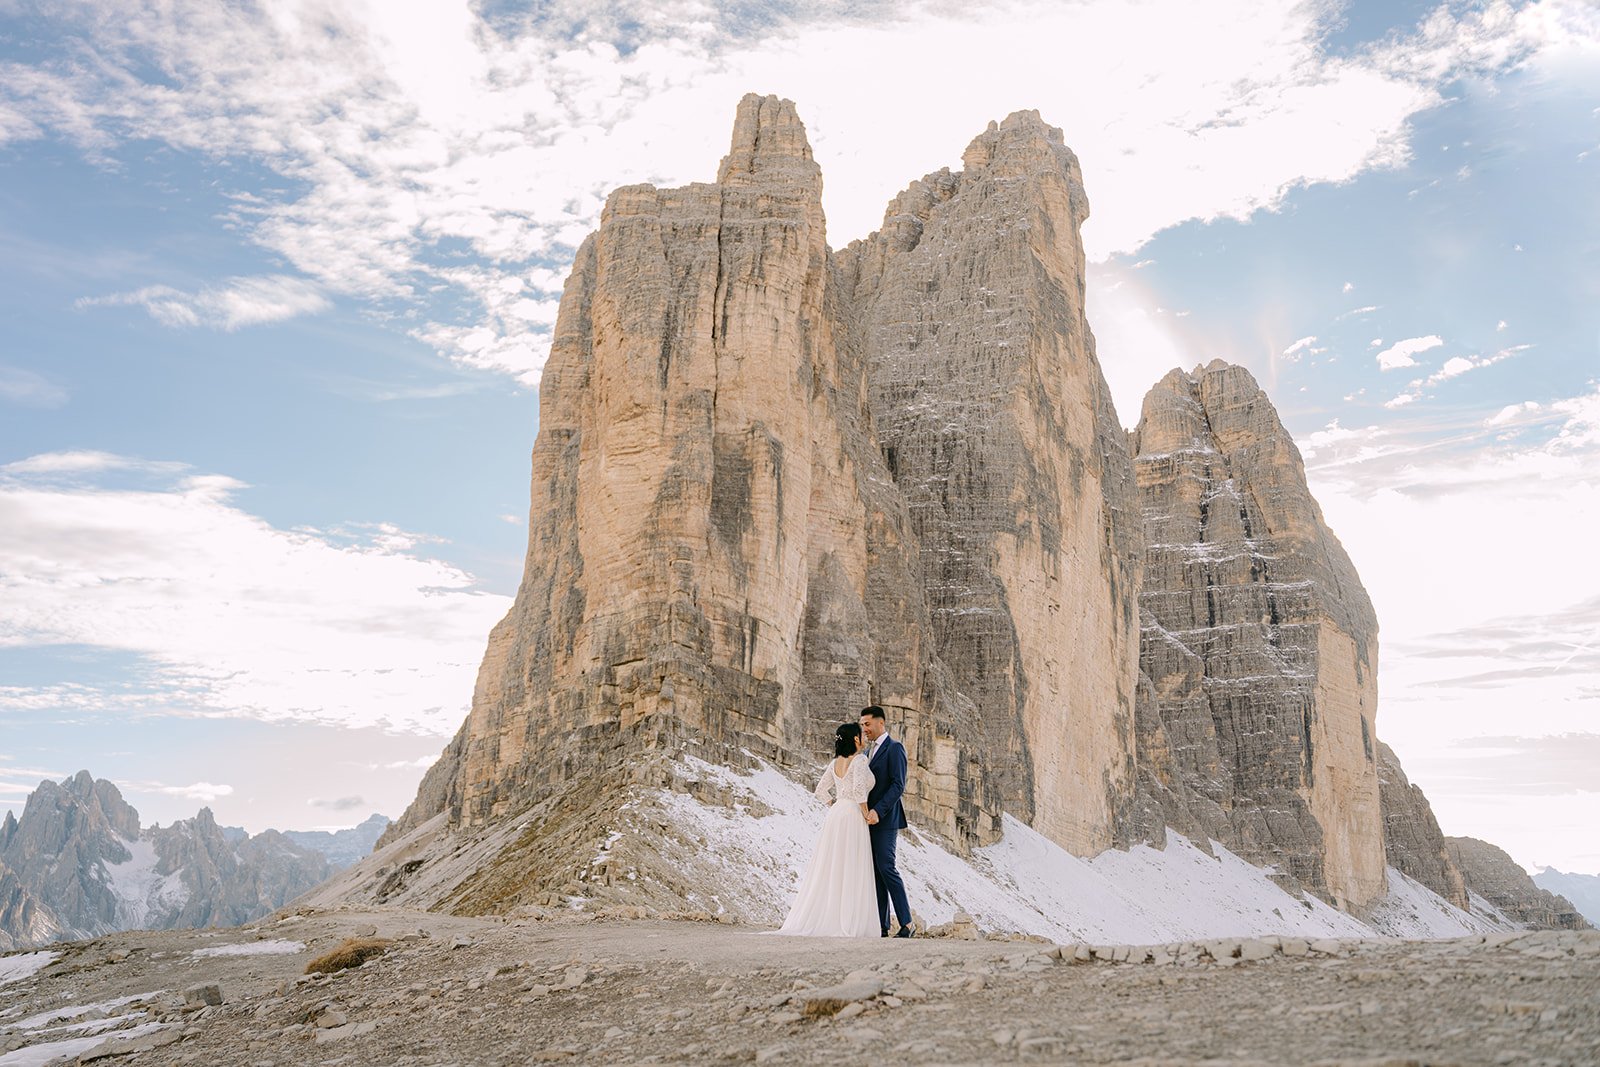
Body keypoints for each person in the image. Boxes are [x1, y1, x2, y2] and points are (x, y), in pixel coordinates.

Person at [776, 722, 879, 937]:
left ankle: (830, 914)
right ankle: (849, 919)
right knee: (851, 863)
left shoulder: (835, 763)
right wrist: (866, 813)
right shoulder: (859, 760)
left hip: (837, 814)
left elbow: (820, 790)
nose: (863, 736)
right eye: (860, 734)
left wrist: (835, 804)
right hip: (852, 814)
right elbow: (860, 790)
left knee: (833, 862)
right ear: (855, 739)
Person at [860, 705, 914, 937]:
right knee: (876, 873)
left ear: (881, 723)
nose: (865, 729)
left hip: (885, 819)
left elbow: (898, 785)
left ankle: (908, 924)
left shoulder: (895, 748)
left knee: (887, 868)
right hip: (867, 820)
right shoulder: (866, 753)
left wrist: (878, 811)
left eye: (868, 724)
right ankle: (882, 926)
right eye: (862, 725)